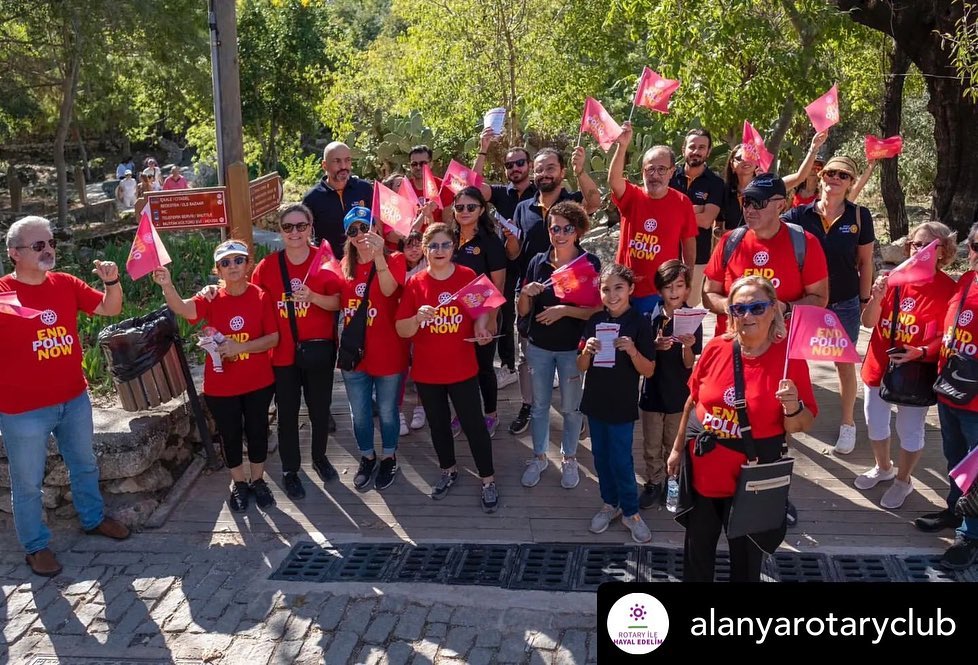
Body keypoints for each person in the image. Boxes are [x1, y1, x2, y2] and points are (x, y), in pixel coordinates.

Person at [0, 216, 130, 577]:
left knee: (85, 463)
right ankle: (35, 547)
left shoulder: (65, 284)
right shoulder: (3, 294)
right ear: (15, 253)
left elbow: (111, 308)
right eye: (38, 245)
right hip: (23, 410)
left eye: (51, 243)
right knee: (27, 483)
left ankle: (92, 519)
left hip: (73, 399)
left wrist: (112, 282)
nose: (48, 250)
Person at [668, 276, 817, 582]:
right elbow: (693, 400)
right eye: (738, 309)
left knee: (746, 567)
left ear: (773, 309)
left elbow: (801, 424)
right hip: (703, 476)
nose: (747, 315)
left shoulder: (788, 359)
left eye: (757, 307)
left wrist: (793, 407)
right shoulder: (716, 347)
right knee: (696, 560)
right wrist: (675, 449)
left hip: (751, 482)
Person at [154, 240, 279, 513]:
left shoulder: (261, 296)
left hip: (258, 381)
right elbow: (184, 309)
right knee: (230, 435)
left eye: (237, 260)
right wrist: (167, 285)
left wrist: (241, 347)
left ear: (248, 265)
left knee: (258, 432)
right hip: (221, 386)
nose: (232, 266)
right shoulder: (210, 298)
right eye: (225, 263)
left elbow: (273, 338)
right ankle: (239, 483)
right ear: (218, 271)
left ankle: (258, 480)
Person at [395, 223, 499, 513]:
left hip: (462, 369)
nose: (439, 251)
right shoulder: (415, 283)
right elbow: (402, 329)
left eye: (445, 245)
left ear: (453, 248)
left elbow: (486, 309)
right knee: (438, 425)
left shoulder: (466, 277)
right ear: (425, 249)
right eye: (433, 246)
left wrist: (481, 328)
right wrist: (416, 317)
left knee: (474, 426)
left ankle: (488, 479)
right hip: (428, 372)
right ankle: (448, 470)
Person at [856, 222, 957, 509]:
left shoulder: (948, 289)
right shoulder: (892, 278)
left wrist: (922, 351)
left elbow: (948, 336)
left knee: (910, 429)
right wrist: (875, 298)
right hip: (878, 366)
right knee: (875, 423)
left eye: (927, 245)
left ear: (942, 251)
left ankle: (904, 480)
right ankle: (883, 467)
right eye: (915, 244)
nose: (918, 250)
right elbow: (868, 323)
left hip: (916, 371)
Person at [782, 155, 875, 455]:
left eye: (843, 175)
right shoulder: (798, 215)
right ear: (820, 177)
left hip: (844, 303)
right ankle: (788, 414)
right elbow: (772, 233)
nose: (834, 178)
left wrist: (864, 301)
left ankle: (848, 422)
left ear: (850, 183)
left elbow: (866, 263)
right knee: (793, 361)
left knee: (845, 365)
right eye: (830, 173)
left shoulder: (859, 216)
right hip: (806, 302)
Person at [250, 204, 342, 499]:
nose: (295, 232)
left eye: (301, 226)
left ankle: (319, 457)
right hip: (282, 355)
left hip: (317, 351)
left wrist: (314, 296)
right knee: (287, 415)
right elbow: (251, 300)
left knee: (319, 411)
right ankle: (291, 469)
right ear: (280, 230)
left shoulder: (325, 260)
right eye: (288, 227)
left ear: (310, 227)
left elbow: (339, 303)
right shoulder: (267, 266)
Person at [507, 147, 601, 435]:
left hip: (569, 293)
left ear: (561, 171)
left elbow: (594, 202)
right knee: (528, 355)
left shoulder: (571, 202)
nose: (544, 173)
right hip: (532, 290)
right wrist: (510, 239)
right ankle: (529, 405)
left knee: (570, 357)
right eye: (539, 169)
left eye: (550, 168)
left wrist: (581, 171)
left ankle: (574, 412)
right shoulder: (523, 207)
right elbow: (514, 254)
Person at [517, 201, 601, 490]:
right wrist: (526, 294)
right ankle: (539, 456)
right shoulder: (537, 262)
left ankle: (569, 458)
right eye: (555, 228)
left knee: (571, 408)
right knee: (539, 406)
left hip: (571, 349)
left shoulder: (589, 263)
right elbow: (522, 310)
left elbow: (595, 309)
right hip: (539, 346)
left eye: (567, 228)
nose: (561, 234)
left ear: (577, 231)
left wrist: (563, 310)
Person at [579, 264, 656, 544]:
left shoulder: (640, 322)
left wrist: (633, 350)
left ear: (631, 289)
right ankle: (610, 504)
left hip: (622, 403)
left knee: (622, 460)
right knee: (600, 457)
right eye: (606, 289)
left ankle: (631, 512)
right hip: (595, 400)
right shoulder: (595, 320)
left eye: (618, 288)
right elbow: (581, 365)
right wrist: (587, 349)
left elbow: (648, 370)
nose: (612, 295)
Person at [917, 222, 978, 570]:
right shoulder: (967, 281)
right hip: (952, 390)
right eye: (975, 246)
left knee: (977, 471)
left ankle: (970, 536)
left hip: (976, 401)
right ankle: (957, 511)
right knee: (955, 461)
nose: (977, 254)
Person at [703, 173, 829, 336]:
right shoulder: (730, 241)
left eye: (758, 202)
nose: (749, 209)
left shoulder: (805, 242)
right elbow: (708, 293)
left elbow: (819, 298)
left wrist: (786, 308)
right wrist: (733, 306)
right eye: (746, 202)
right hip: (733, 343)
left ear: (781, 205)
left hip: (782, 344)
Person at [339, 206, 409, 491]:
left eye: (364, 227)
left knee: (388, 410)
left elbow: (390, 290)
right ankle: (367, 456)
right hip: (355, 353)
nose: (359, 235)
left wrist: (379, 255)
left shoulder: (396, 258)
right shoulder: (343, 264)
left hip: (389, 350)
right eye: (352, 230)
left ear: (376, 229)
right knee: (359, 412)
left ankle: (389, 455)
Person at [609, 121, 698, 315]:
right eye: (650, 169)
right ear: (642, 172)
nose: (655, 175)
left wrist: (686, 282)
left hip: (661, 292)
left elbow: (689, 246)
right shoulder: (632, 196)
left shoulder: (682, 202)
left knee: (658, 344)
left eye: (661, 169)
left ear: (672, 172)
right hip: (626, 290)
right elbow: (614, 181)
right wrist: (622, 146)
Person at [473, 133, 537, 390]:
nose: (514, 168)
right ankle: (509, 366)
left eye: (519, 163)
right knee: (504, 312)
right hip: (505, 263)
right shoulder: (501, 193)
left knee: (537, 311)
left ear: (529, 165)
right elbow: (474, 187)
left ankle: (536, 364)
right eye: (509, 165)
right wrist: (483, 149)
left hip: (533, 260)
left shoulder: (540, 190)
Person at [638, 260, 702, 509]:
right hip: (652, 393)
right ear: (659, 290)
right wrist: (655, 345)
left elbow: (689, 364)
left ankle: (672, 483)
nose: (674, 292)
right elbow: (642, 355)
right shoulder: (649, 316)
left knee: (674, 444)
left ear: (687, 289)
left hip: (678, 395)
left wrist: (686, 345)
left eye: (679, 286)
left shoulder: (693, 319)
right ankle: (654, 482)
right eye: (668, 287)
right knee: (651, 443)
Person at [450, 187, 507, 436]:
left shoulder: (490, 241)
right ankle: (463, 413)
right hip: (455, 316)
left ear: (482, 210)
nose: (465, 212)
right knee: (460, 367)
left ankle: (491, 414)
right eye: (459, 207)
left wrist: (492, 318)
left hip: (484, 314)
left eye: (471, 207)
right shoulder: (448, 239)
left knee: (484, 368)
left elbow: (499, 283)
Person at [668, 129, 724, 306]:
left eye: (702, 147)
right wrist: (696, 209)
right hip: (665, 253)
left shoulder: (715, 183)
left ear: (708, 151)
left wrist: (673, 211)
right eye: (692, 146)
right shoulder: (669, 177)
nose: (696, 151)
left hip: (698, 258)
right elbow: (657, 212)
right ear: (684, 148)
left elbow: (707, 221)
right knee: (662, 308)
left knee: (688, 308)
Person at [302, 141, 373, 259]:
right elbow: (306, 237)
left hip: (362, 263)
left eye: (347, 160)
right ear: (324, 165)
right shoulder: (312, 198)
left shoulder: (364, 189)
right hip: (330, 266)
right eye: (337, 161)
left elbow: (375, 224)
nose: (344, 166)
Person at [403, 231, 428, 430]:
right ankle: (400, 411)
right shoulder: (394, 267)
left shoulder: (428, 264)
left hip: (423, 324)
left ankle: (421, 408)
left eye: (417, 245)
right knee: (401, 368)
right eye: (408, 245)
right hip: (402, 323)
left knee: (420, 364)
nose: (413, 249)